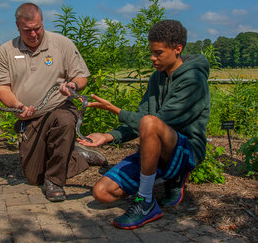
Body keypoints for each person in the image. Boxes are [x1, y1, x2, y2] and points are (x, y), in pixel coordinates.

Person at [78, 19, 210, 229]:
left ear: (178, 49)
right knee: (102, 193)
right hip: (154, 145)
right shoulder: (157, 78)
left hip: (186, 151)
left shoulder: (193, 79)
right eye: (152, 52)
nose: (152, 58)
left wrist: (116, 111)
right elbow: (142, 116)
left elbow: (158, 122)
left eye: (158, 52)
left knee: (150, 123)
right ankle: (164, 179)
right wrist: (108, 136)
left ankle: (146, 200)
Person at [0, 2, 107, 202]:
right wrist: (17, 106)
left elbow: (82, 78)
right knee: (33, 177)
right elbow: (2, 88)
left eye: (37, 28)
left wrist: (72, 86)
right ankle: (78, 156)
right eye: (27, 30)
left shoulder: (62, 44)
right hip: (29, 117)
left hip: (58, 107)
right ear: (18, 26)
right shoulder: (5, 52)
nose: (34, 34)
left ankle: (55, 182)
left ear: (42, 22)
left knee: (64, 120)